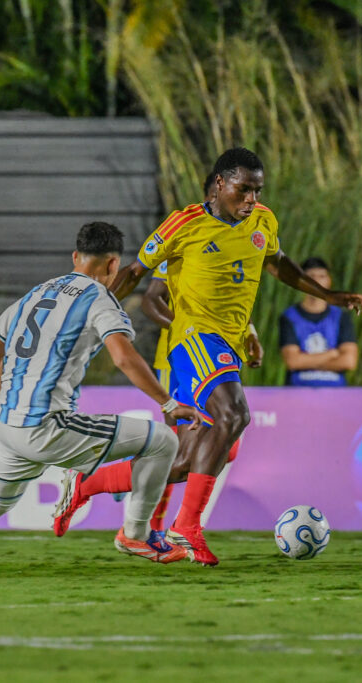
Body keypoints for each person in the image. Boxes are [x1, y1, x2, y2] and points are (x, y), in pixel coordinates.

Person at [53, 147, 362, 566]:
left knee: (186, 459)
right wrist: (90, 312)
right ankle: (186, 528)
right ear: (220, 183)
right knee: (234, 415)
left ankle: (88, 483)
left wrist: (328, 297)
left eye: (257, 190)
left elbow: (277, 264)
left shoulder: (263, 221)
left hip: (229, 345)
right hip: (193, 339)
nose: (252, 199)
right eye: (244, 189)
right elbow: (136, 275)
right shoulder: (184, 224)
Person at [0, 221, 201, 578]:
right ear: (113, 264)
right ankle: (136, 534)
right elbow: (122, 357)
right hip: (46, 425)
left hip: (9, 423)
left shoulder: (36, 293)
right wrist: (167, 403)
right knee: (162, 440)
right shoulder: (99, 299)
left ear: (75, 257)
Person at [133, 171, 259, 536]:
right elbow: (150, 299)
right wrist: (186, 329)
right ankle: (152, 527)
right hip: (179, 358)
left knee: (207, 446)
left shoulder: (235, 238)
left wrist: (248, 331)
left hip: (215, 351)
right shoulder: (182, 236)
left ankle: (155, 514)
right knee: (178, 446)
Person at [278, 256, 358, 386]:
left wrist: (306, 361)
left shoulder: (341, 317)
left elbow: (349, 361)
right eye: (311, 277)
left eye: (321, 276)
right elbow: (293, 361)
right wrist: (332, 354)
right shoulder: (289, 317)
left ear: (329, 281)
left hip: (335, 393)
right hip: (297, 392)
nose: (316, 281)